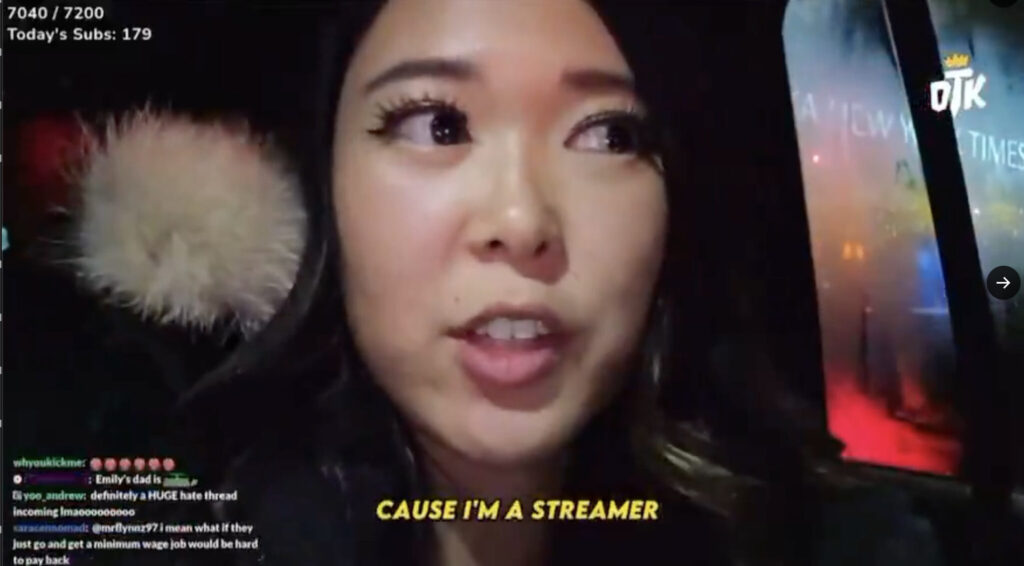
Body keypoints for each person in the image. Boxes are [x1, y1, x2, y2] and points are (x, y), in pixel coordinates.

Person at [15, 1, 896, 565]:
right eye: (436, 124)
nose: (520, 219)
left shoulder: (830, 538)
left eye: (609, 134)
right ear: (325, 191)